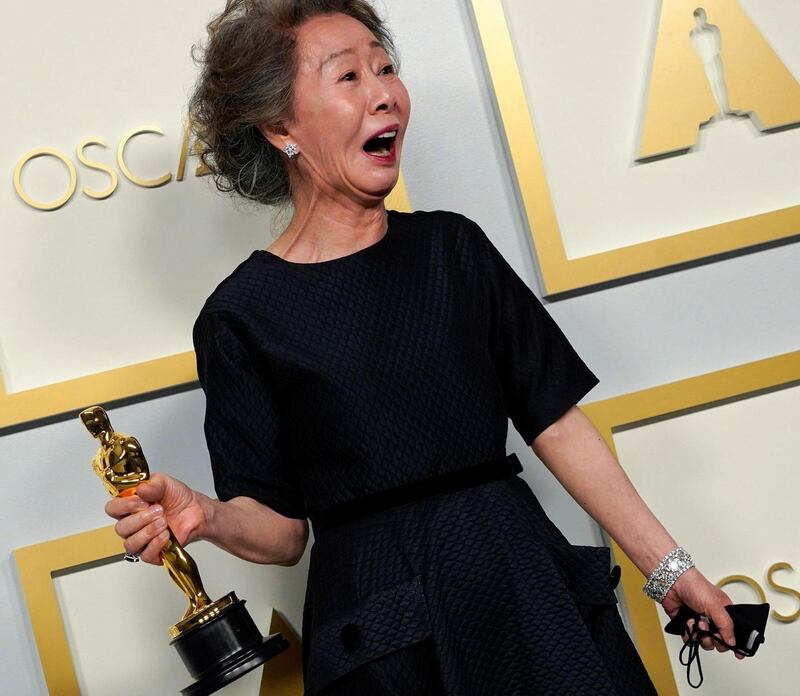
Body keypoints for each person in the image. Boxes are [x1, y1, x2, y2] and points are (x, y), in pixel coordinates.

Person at [105, 1, 742, 693]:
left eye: (386, 68)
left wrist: (670, 571)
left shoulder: (452, 249)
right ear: (281, 126)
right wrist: (208, 515)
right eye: (348, 76)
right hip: (383, 635)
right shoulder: (240, 318)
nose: (385, 93)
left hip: (525, 591)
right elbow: (283, 531)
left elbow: (556, 424)